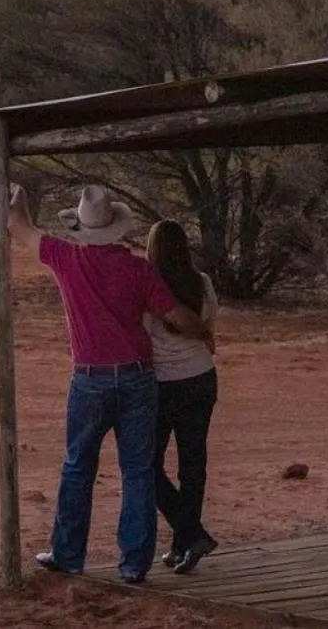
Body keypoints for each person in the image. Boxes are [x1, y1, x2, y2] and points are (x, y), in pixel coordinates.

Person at [8, 183, 207, 584]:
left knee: (78, 466)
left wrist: (19, 194)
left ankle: (68, 555)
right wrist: (204, 331)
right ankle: (134, 563)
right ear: (116, 228)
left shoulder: (66, 258)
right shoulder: (139, 269)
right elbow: (175, 315)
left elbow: (18, 227)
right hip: (137, 376)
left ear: (81, 227)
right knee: (136, 470)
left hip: (90, 377)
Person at [144, 219, 220, 573]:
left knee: (148, 464)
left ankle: (189, 535)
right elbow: (209, 324)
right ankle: (184, 543)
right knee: (193, 463)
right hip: (201, 377)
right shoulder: (201, 282)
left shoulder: (148, 284)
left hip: (161, 383)